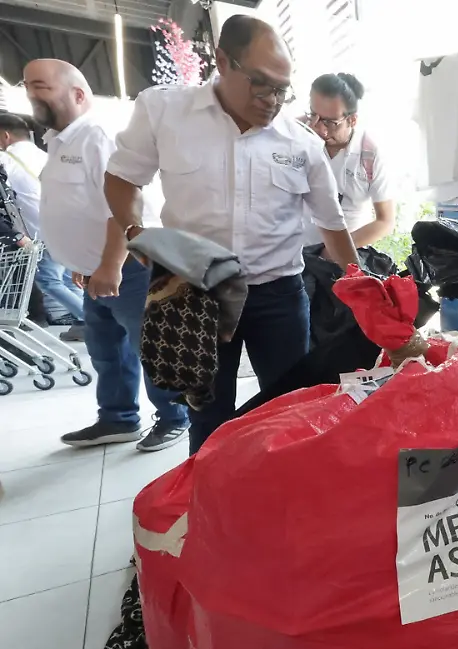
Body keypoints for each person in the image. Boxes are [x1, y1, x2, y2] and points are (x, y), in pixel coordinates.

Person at [101, 15, 359, 455]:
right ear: (222, 61)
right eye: (260, 83)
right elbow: (123, 177)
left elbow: (332, 225)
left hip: (278, 297)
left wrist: (362, 285)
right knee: (208, 415)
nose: (272, 100)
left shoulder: (301, 144)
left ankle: (281, 492)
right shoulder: (165, 111)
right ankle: (210, 492)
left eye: (282, 89)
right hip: (195, 294)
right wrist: (134, 230)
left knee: (291, 410)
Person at [23, 59, 191, 451]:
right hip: (98, 269)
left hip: (131, 265)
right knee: (106, 350)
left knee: (151, 345)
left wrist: (110, 264)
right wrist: (86, 262)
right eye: (27, 86)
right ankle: (118, 418)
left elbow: (124, 207)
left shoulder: (96, 137)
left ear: (78, 94)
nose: (32, 94)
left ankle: (175, 416)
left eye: (41, 86)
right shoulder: (60, 140)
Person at [0, 112, 87, 341]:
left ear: (5, 136)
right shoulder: (46, 155)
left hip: (44, 228)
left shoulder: (7, 160)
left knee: (48, 280)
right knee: (68, 277)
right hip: (70, 224)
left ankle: (91, 320)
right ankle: (83, 322)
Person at [304, 73, 395, 247]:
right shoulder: (298, 136)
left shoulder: (370, 154)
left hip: (348, 251)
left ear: (352, 120)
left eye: (330, 122)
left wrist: (335, 251)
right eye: (313, 115)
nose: (320, 129)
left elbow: (385, 221)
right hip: (298, 251)